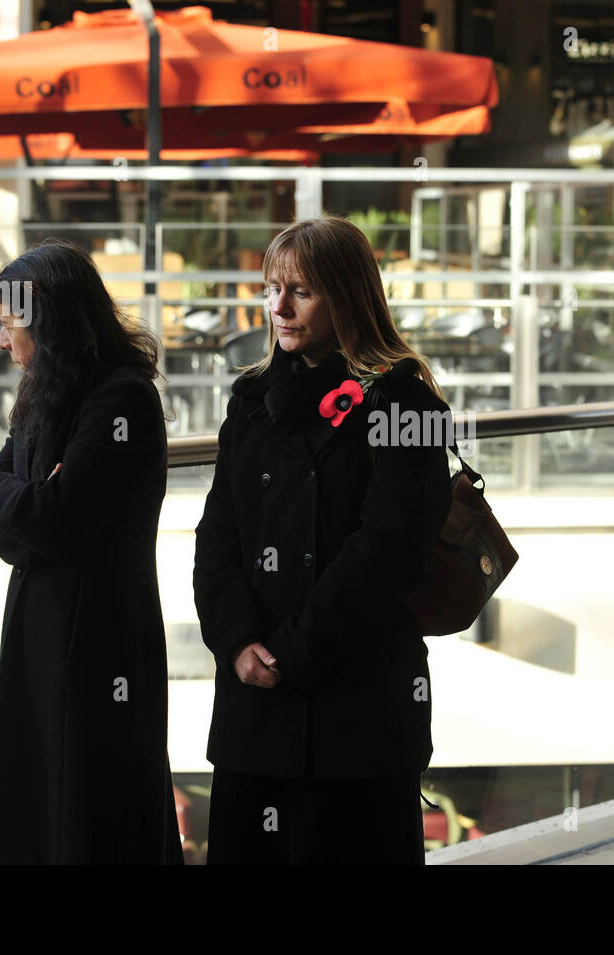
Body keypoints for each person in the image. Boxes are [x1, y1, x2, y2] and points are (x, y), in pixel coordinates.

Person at [194, 216, 452, 865]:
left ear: (346, 296)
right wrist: (237, 641)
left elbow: (389, 548)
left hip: (355, 710)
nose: (278, 307)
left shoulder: (404, 405)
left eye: (300, 291)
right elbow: (216, 534)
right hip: (256, 708)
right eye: (272, 288)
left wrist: (288, 651)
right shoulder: (251, 400)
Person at [0, 238, 182, 864]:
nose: (2, 342)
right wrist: (30, 505)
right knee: (38, 797)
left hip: (98, 640)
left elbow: (49, 518)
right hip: (43, 628)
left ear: (49, 322)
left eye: (10, 325)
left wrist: (30, 509)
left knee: (91, 806)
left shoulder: (122, 400)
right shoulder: (46, 393)